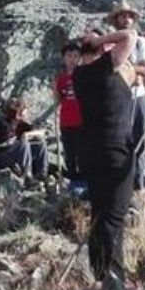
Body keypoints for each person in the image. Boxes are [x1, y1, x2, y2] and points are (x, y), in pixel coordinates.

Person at [73, 27, 138, 290]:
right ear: (99, 47)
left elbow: (132, 72)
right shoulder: (102, 67)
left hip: (92, 152)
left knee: (101, 214)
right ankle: (113, 280)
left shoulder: (79, 74)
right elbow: (130, 36)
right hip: (114, 150)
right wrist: (101, 40)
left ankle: (103, 276)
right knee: (114, 215)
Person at [107, 0, 145, 189]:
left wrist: (125, 67)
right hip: (116, 97)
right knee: (118, 141)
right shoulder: (110, 42)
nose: (126, 19)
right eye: (122, 16)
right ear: (116, 19)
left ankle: (138, 184)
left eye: (129, 16)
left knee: (139, 140)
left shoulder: (141, 42)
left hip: (137, 94)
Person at [0, 97, 48, 181]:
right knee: (23, 143)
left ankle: (42, 174)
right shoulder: (1, 123)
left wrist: (29, 134)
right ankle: (27, 176)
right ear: (18, 114)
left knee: (40, 142)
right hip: (2, 155)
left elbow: (40, 133)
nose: (27, 114)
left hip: (16, 153)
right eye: (25, 112)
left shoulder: (23, 125)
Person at [55, 41, 86, 197]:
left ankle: (84, 182)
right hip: (66, 121)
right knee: (70, 152)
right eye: (69, 56)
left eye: (75, 56)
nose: (72, 59)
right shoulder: (61, 78)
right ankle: (73, 183)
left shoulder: (84, 75)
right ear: (64, 58)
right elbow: (58, 98)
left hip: (82, 121)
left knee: (83, 152)